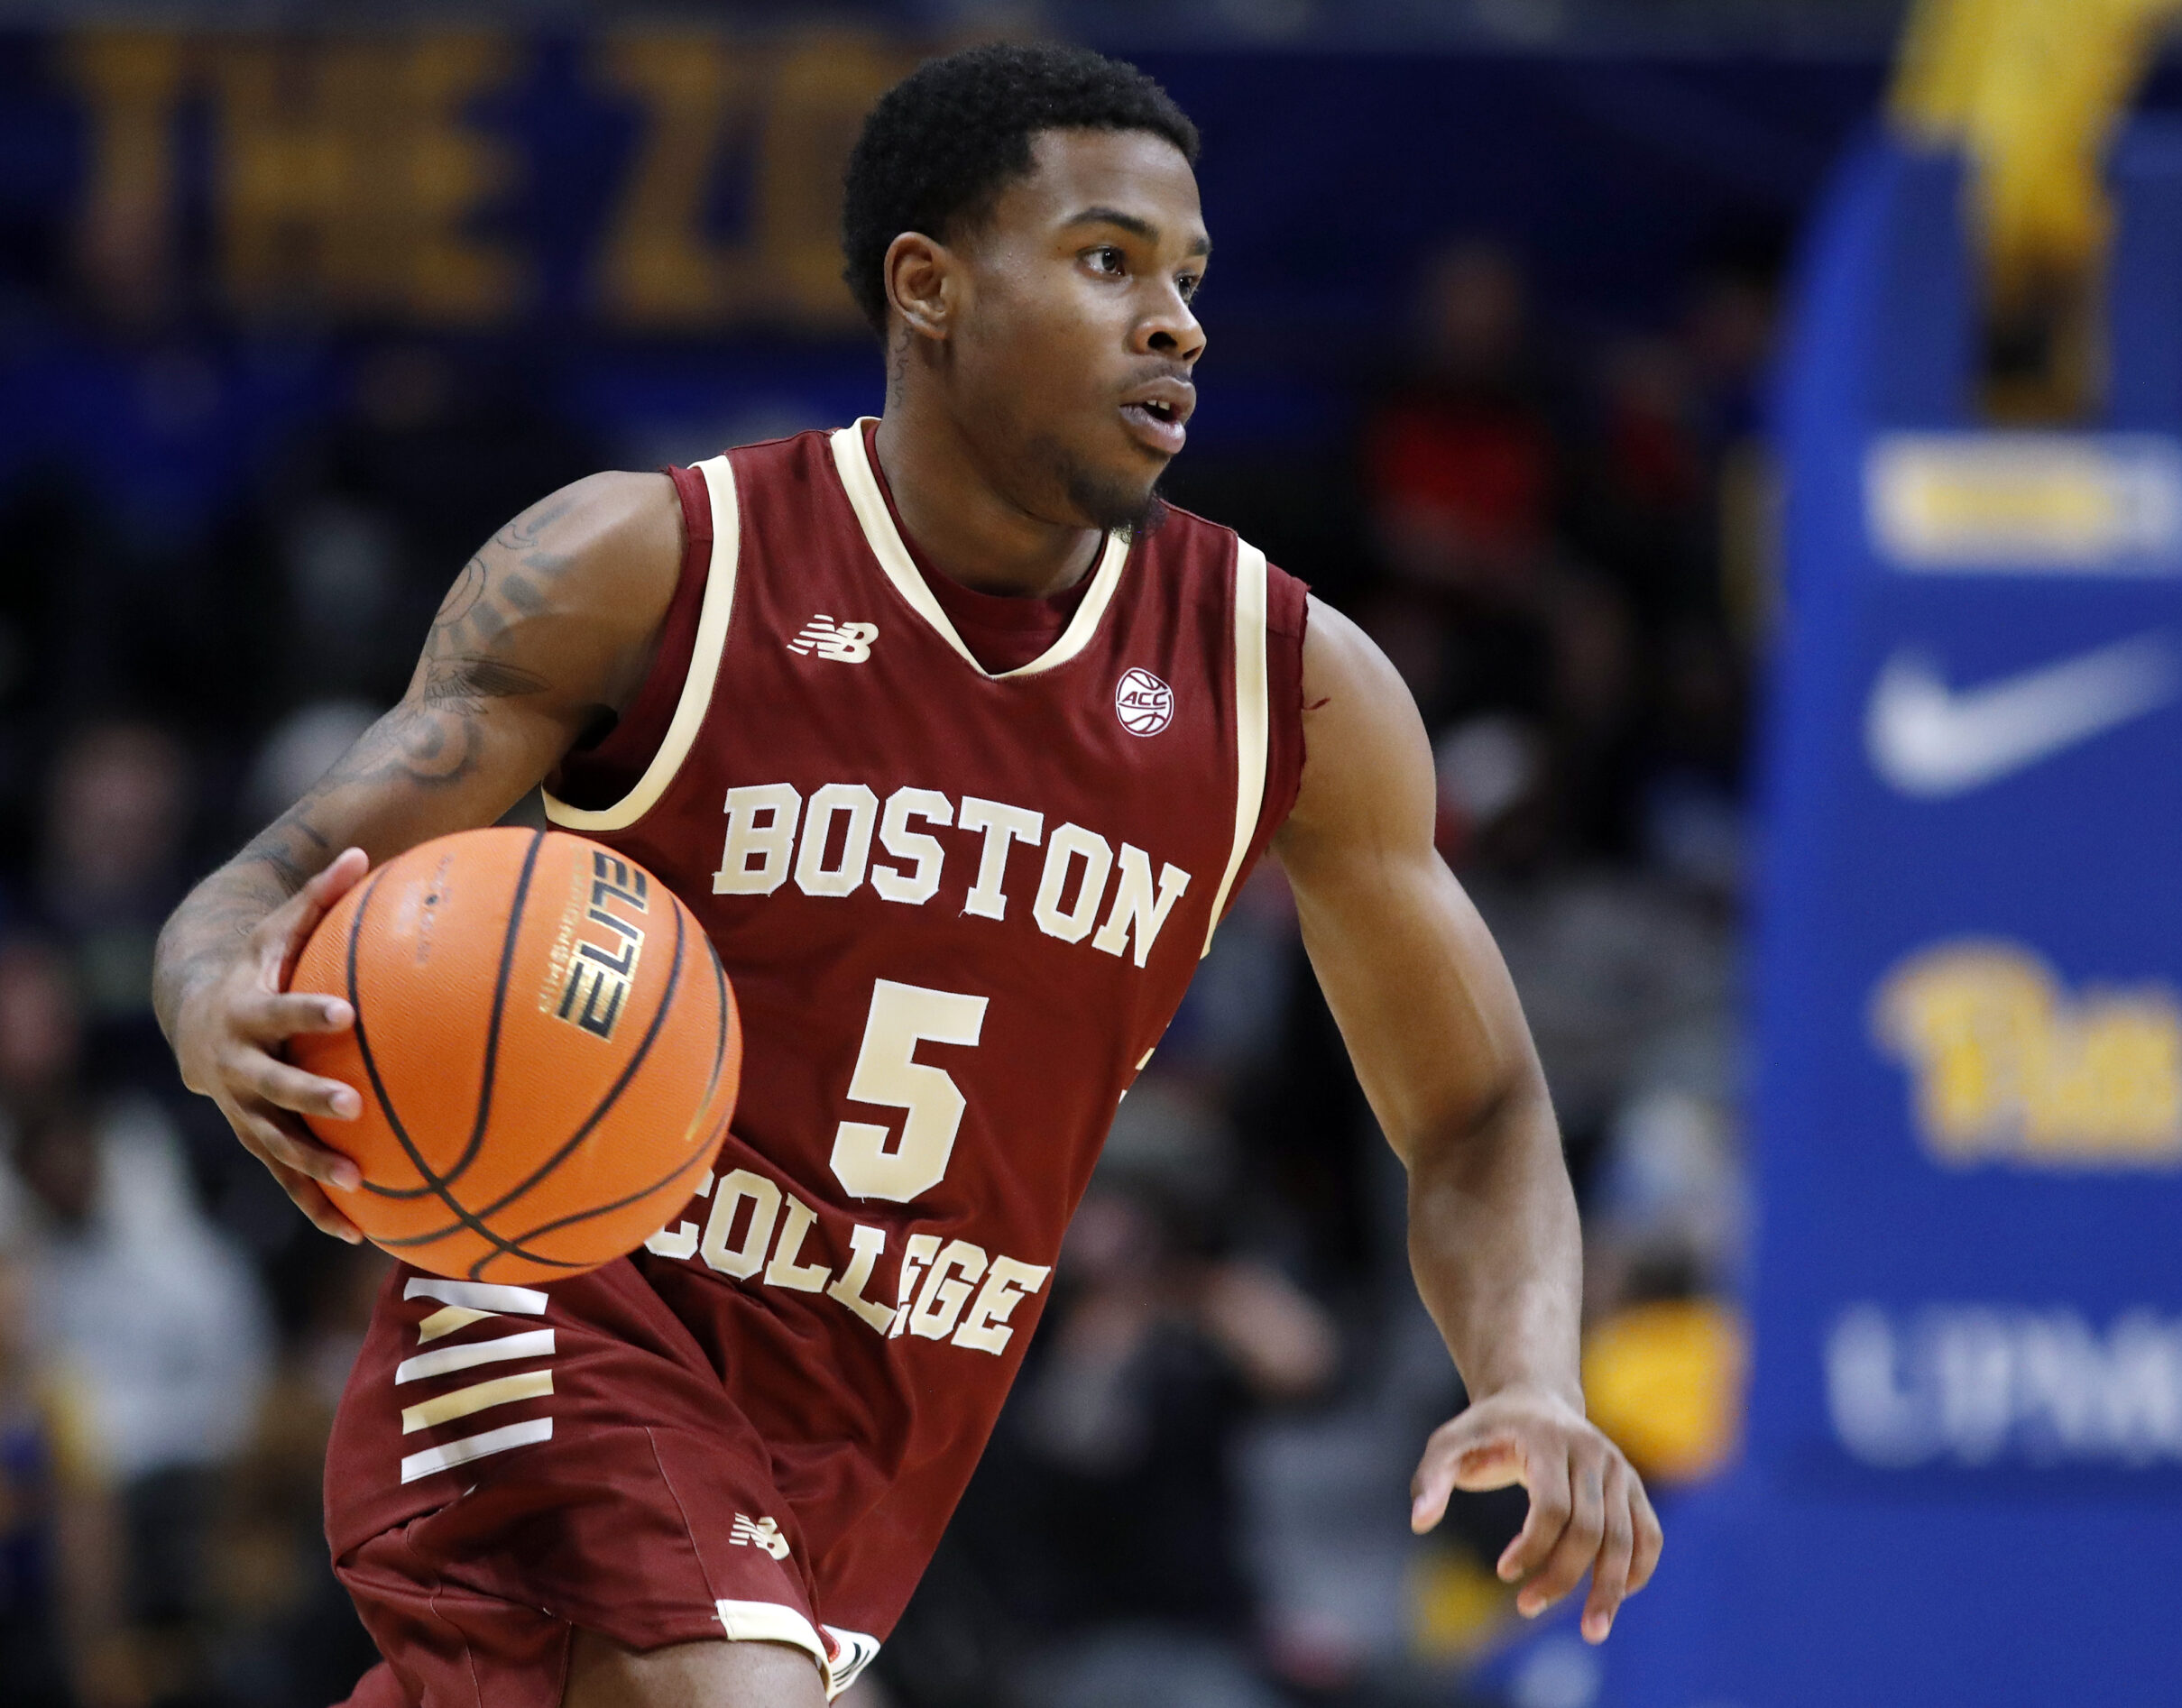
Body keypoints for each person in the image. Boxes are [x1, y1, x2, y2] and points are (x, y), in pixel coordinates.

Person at [152, 43, 1662, 1708]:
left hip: (857, 1463)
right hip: (550, 1331)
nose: (1179, 323)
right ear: (929, 287)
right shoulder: (650, 568)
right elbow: (268, 884)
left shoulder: (1288, 688)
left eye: (1190, 277)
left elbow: (1480, 1108)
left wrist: (1535, 1374)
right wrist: (215, 993)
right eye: (1109, 262)